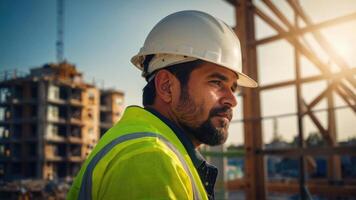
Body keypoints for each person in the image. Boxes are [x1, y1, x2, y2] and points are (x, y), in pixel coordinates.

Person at [67, 10, 257, 200]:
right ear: (166, 87)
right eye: (216, 82)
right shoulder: (149, 157)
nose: (232, 100)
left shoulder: (154, 149)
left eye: (233, 88)